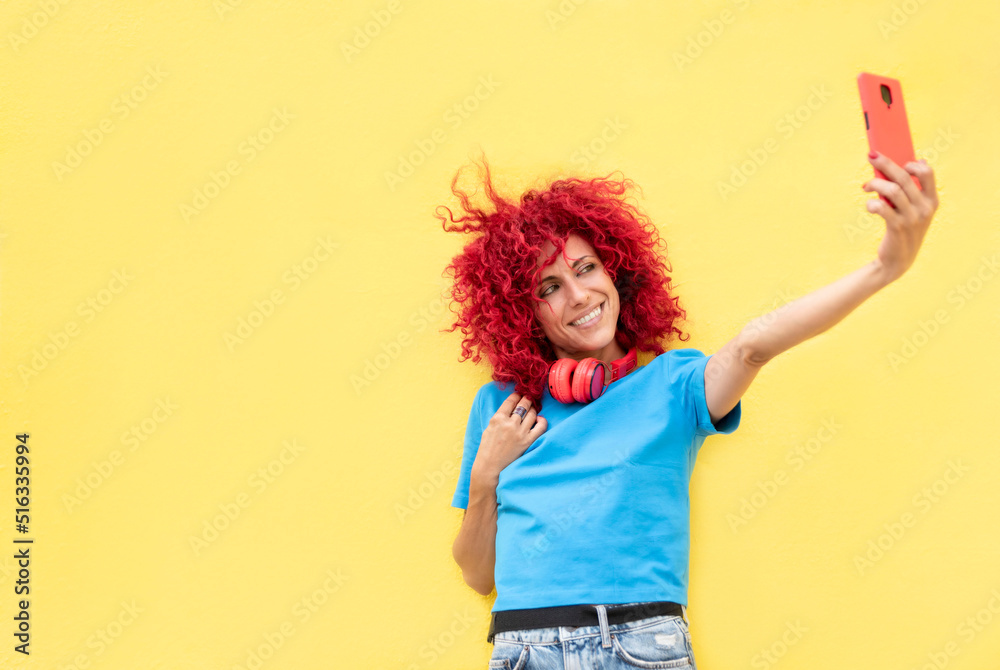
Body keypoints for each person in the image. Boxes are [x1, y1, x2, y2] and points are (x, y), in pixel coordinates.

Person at [438, 152, 938, 669]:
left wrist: (885, 267)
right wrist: (485, 476)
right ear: (524, 310)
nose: (579, 294)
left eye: (587, 269)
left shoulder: (673, 383)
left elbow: (753, 345)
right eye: (550, 287)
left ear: (616, 274)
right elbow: (479, 576)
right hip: (525, 648)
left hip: (637, 644)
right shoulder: (503, 407)